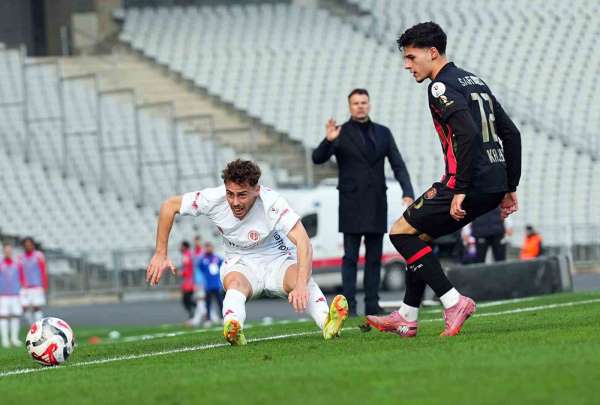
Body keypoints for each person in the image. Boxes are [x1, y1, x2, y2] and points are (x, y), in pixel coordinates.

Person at [368, 22, 521, 337]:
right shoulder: (475, 81)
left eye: (411, 57)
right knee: (419, 238)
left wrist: (460, 188)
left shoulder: (439, 87)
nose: (407, 65)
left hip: (467, 182)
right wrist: (510, 186)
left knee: (400, 233)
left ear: (433, 53)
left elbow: (467, 134)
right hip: (493, 182)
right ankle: (407, 316)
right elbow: (511, 134)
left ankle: (453, 302)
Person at [146, 159, 348, 345]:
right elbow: (169, 206)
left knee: (300, 278)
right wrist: (161, 253)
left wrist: (301, 285)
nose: (235, 202)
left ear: (256, 190)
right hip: (240, 263)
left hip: (276, 260)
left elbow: (303, 241)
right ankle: (233, 328)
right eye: (230, 194)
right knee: (235, 284)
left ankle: (327, 323)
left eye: (242, 194)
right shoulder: (213, 199)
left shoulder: (272, 202)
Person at [312, 88, 415, 316]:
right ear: (350, 106)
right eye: (356, 103)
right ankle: (348, 306)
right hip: (351, 205)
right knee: (350, 257)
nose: (360, 106)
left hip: (376, 203)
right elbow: (317, 158)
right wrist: (328, 141)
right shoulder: (339, 133)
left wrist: (407, 191)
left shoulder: (383, 133)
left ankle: (372, 304)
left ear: (369, 105)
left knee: (374, 258)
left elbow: (398, 164)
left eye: (364, 102)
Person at [19, 237, 48, 324]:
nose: (28, 246)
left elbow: (43, 271)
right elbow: (19, 272)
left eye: (29, 244)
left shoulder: (39, 255)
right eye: (26, 245)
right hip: (25, 287)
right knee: (24, 307)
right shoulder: (20, 257)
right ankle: (32, 325)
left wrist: (45, 285)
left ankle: (38, 326)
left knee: (36, 307)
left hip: (37, 286)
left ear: (33, 245)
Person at [0, 244, 23, 348]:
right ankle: (5, 340)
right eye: (6, 250)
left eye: (9, 250)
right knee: (3, 316)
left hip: (15, 294)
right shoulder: (1, 263)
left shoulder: (17, 263)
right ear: (3, 251)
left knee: (15, 315)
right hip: (3, 295)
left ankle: (14, 338)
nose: (8, 252)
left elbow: (22, 277)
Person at [197, 241, 224, 326]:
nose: (208, 249)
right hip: (208, 285)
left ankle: (222, 318)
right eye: (207, 247)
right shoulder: (203, 259)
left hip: (217, 284)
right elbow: (200, 269)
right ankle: (208, 319)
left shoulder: (217, 258)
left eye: (210, 247)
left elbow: (222, 266)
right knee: (208, 303)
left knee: (220, 302)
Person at [179, 241, 196, 321]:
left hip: (189, 280)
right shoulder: (188, 254)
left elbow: (188, 268)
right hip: (188, 280)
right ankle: (194, 312)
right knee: (187, 299)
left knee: (186, 299)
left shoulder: (187, 255)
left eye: (181, 246)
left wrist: (182, 272)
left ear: (185, 247)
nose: (180, 248)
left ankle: (196, 311)